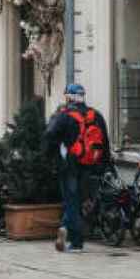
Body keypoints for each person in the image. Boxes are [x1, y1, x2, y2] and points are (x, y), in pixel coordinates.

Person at [46, 84, 110, 254]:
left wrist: (53, 161)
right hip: (91, 166)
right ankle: (69, 231)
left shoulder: (63, 116)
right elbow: (105, 143)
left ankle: (74, 239)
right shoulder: (96, 116)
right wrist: (103, 166)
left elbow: (49, 137)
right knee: (81, 201)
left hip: (70, 166)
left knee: (71, 201)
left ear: (68, 97)